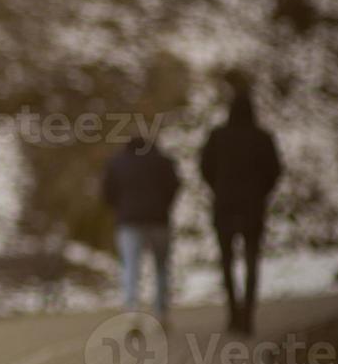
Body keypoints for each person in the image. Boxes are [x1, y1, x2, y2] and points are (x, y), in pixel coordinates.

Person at [200, 88, 281, 333]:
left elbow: (204, 168)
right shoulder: (262, 137)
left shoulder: (217, 136)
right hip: (253, 207)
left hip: (224, 206)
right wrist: (261, 194)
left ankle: (233, 314)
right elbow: (274, 171)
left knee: (227, 261)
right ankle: (248, 316)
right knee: (251, 260)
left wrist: (218, 189)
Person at [102, 132, 180, 324]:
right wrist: (164, 206)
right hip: (159, 220)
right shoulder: (162, 161)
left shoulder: (117, 163)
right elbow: (174, 186)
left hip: (128, 222)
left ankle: (132, 311)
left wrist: (121, 209)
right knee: (161, 267)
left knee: (130, 267)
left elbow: (107, 192)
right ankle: (161, 312)